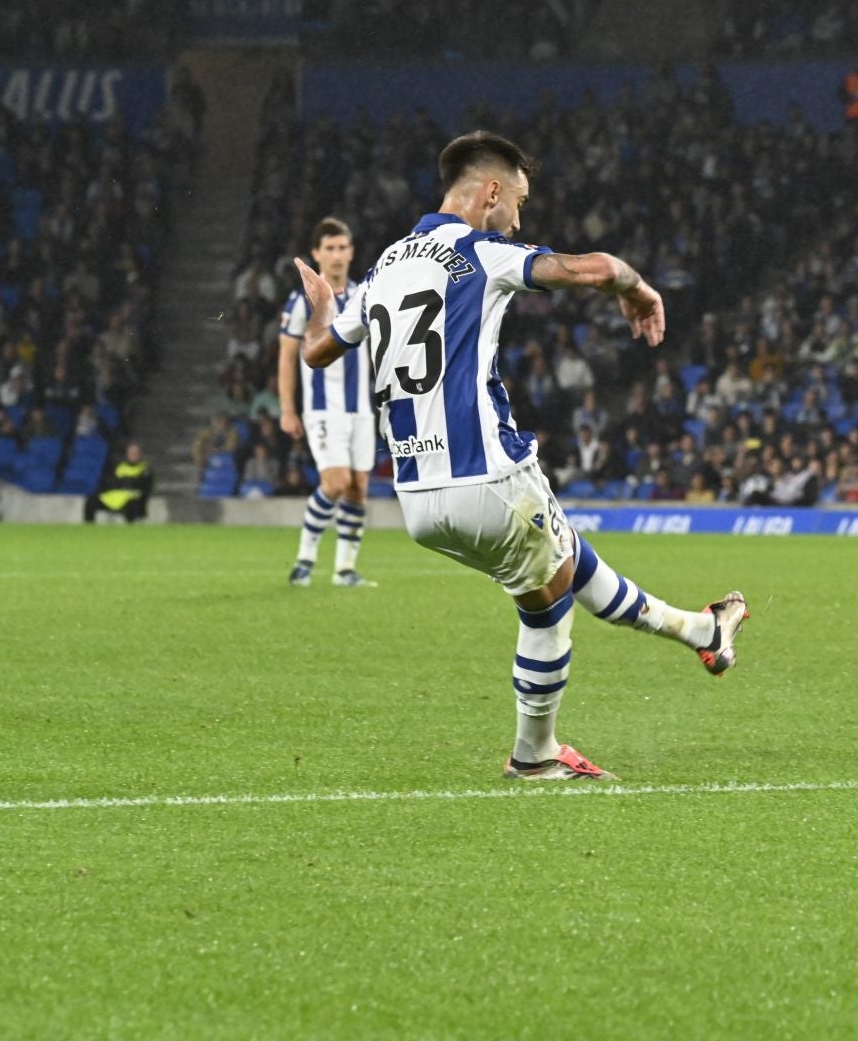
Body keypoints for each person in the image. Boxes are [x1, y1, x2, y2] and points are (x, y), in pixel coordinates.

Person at [291, 131, 749, 782]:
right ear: (491, 192)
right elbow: (592, 269)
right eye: (519, 203)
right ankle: (536, 753)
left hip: (415, 495)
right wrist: (639, 289)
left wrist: (321, 309)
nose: (519, 220)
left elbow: (317, 351)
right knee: (547, 601)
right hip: (487, 474)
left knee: (563, 556)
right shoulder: (479, 251)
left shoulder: (384, 267)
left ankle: (703, 633)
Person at [279, 218, 375, 588]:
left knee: (358, 487)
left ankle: (345, 570)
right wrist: (288, 409)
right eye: (329, 248)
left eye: (342, 248)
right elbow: (287, 356)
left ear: (351, 252)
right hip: (323, 407)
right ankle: (304, 561)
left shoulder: (364, 294)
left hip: (359, 408)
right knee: (335, 482)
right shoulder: (304, 299)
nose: (336, 255)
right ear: (316, 254)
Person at [85, 442, 154, 524]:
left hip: (132, 498)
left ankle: (130, 528)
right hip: (115, 496)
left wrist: (124, 481)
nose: (133, 455)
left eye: (136, 453)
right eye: (131, 453)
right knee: (91, 501)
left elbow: (142, 484)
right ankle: (89, 526)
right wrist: (126, 481)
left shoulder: (145, 468)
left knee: (133, 505)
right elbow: (110, 482)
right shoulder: (120, 466)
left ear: (140, 454)